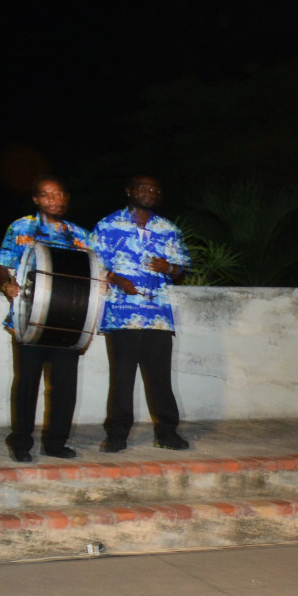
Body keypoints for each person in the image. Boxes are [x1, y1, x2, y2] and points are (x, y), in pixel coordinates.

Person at [90, 175, 192, 452]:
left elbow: (182, 268)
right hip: (121, 316)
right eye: (143, 188)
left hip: (158, 317)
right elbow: (91, 263)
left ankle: (167, 434)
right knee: (122, 380)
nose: (150, 192)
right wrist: (116, 278)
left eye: (155, 189)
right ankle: (116, 436)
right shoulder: (108, 225)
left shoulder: (168, 229)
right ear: (129, 191)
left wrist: (168, 268)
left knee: (160, 379)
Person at [0, 177, 92, 461]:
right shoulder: (20, 227)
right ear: (36, 199)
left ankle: (56, 443)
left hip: (69, 320)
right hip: (29, 318)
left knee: (64, 386)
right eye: (47, 195)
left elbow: (95, 272)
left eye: (59, 195)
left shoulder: (81, 235)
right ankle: (21, 444)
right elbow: (2, 266)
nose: (55, 200)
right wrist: (6, 285)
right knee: (27, 384)